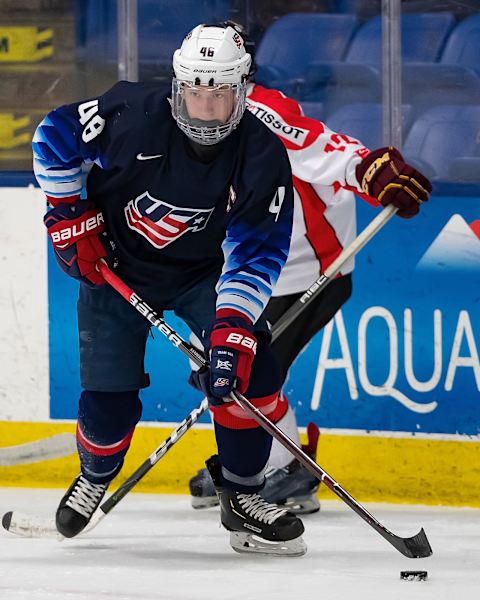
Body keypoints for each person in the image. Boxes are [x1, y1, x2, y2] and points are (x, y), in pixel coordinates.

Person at [34, 23, 308, 557]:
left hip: (201, 274)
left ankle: (244, 495)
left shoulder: (261, 154)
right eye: (196, 91)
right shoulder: (132, 114)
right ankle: (95, 474)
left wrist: (231, 332)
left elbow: (255, 254)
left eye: (220, 92)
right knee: (107, 404)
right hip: (113, 268)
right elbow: (53, 135)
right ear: (178, 84)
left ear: (242, 90)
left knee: (254, 368)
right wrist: (67, 213)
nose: (206, 106)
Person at [187, 21, 433, 514]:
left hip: (309, 269)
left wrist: (371, 170)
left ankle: (287, 470)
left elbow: (329, 150)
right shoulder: (188, 114)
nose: (208, 86)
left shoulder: (265, 113)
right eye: (199, 76)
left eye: (219, 75)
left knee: (252, 367)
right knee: (214, 364)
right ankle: (259, 461)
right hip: (245, 273)